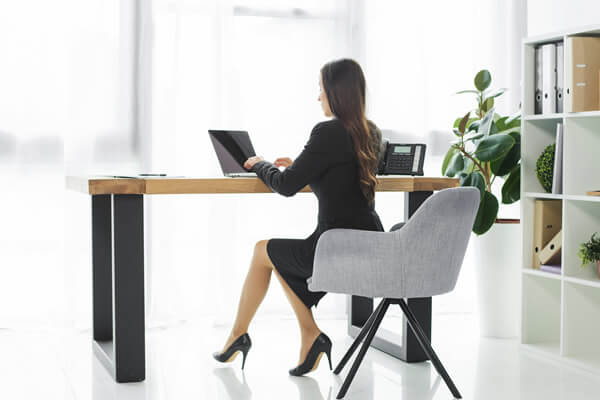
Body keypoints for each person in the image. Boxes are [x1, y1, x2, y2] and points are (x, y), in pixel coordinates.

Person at [212, 58, 384, 375]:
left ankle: (239, 335)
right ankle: (309, 336)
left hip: (334, 248)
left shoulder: (327, 131)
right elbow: (340, 176)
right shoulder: (370, 132)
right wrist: (302, 165)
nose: (318, 97)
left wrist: (260, 164)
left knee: (263, 252)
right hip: (371, 244)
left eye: (321, 89)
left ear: (336, 92)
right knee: (278, 258)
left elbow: (285, 185)